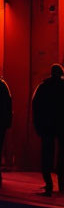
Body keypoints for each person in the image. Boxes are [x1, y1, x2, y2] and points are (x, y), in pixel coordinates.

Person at [31, 64, 64, 196]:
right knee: (62, 155)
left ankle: (48, 183)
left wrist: (38, 125)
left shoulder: (43, 87)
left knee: (47, 154)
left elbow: (36, 106)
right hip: (62, 125)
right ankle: (62, 184)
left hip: (47, 126)